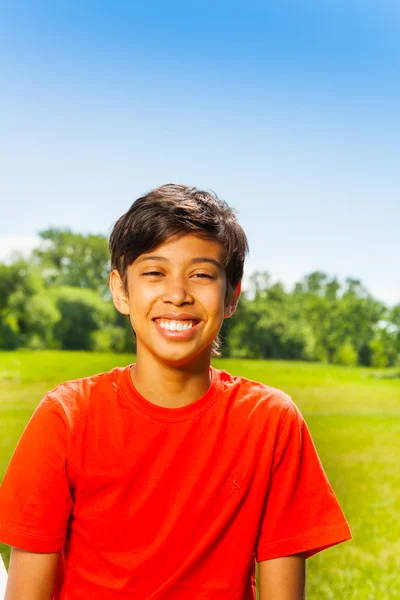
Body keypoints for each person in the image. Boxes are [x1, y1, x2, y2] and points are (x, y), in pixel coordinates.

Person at [0, 184, 351, 599]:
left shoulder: (270, 420)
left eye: (201, 275)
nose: (178, 295)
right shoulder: (68, 415)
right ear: (120, 290)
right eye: (154, 273)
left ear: (231, 295)